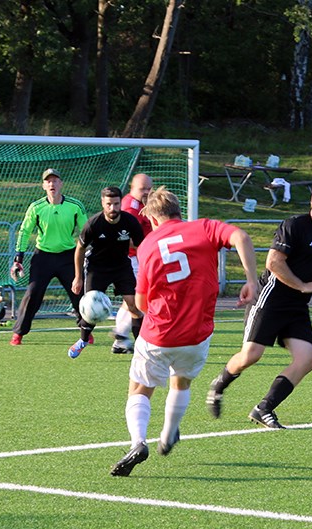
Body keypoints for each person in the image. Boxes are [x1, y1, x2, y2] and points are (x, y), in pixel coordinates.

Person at [110, 186, 259, 477]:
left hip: (160, 333)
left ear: (153, 218)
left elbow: (139, 303)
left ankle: (138, 442)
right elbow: (240, 236)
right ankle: (169, 433)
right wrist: (251, 280)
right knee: (181, 382)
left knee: (139, 388)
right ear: (179, 212)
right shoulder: (203, 228)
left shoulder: (149, 244)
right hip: (197, 334)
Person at [205, 179, 312, 430]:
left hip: (297, 308)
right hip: (270, 299)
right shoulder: (294, 226)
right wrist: (303, 285)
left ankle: (264, 408)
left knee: (306, 360)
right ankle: (220, 384)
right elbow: (274, 262)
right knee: (251, 356)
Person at [10, 168, 92, 349]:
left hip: (68, 257)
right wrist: (18, 258)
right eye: (48, 181)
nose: (52, 184)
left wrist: (89, 254)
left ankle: (86, 331)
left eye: (55, 181)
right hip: (43, 257)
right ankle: (18, 333)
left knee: (78, 293)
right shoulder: (36, 207)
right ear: (43, 186)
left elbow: (86, 232)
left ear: (61, 184)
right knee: (33, 293)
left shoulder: (74, 206)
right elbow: (24, 231)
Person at [70, 186, 146, 359]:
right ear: (103, 203)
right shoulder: (93, 223)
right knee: (90, 310)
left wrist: (146, 271)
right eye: (109, 204)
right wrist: (78, 277)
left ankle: (142, 349)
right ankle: (83, 340)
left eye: (116, 204)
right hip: (97, 268)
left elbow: (142, 247)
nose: (113, 208)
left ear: (121, 203)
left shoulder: (130, 222)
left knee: (134, 305)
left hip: (121, 266)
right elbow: (80, 249)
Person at [111, 173, 154, 354]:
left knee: (135, 298)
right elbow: (124, 236)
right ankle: (122, 335)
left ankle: (120, 338)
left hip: (137, 258)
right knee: (139, 297)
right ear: (132, 188)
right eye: (142, 188)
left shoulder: (143, 204)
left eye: (148, 188)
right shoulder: (130, 207)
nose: (146, 192)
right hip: (131, 258)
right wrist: (144, 248)